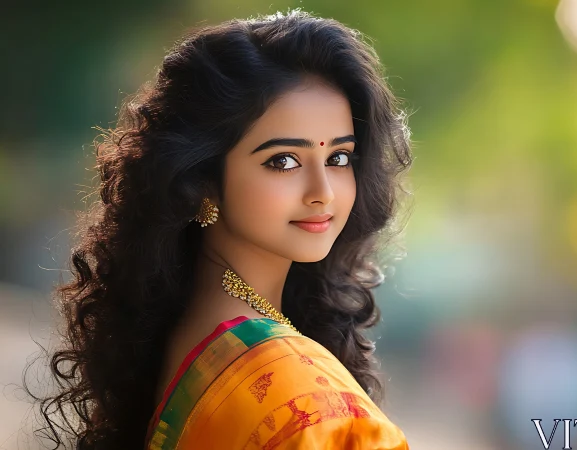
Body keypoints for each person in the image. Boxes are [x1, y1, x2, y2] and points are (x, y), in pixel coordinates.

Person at [26, 9, 413, 449]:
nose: (322, 191)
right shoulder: (300, 397)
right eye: (283, 161)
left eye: (339, 158)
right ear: (203, 180)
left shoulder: (191, 334)